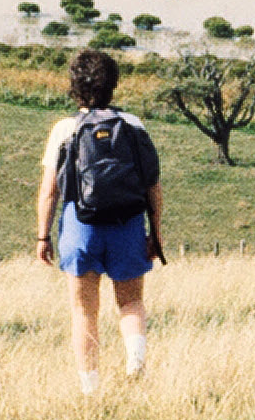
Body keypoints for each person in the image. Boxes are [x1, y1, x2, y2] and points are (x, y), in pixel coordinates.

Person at [36, 49, 165, 394]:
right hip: (128, 224)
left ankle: (90, 389)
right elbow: (153, 185)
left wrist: (42, 237)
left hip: (81, 226)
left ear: (74, 86)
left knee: (84, 311)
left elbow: (49, 192)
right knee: (131, 302)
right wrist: (156, 233)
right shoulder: (134, 125)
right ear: (113, 84)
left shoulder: (64, 129)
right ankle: (135, 363)